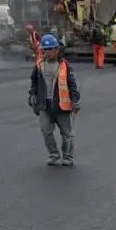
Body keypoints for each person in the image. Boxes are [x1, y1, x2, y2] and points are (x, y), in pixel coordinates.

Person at [28, 34, 80, 166]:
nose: (48, 52)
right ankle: (54, 154)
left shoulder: (64, 65)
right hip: (44, 105)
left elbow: (72, 84)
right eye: (45, 49)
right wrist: (32, 95)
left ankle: (67, 156)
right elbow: (34, 82)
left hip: (61, 105)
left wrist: (74, 100)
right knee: (46, 131)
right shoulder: (39, 65)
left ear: (57, 50)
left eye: (50, 49)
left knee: (67, 133)